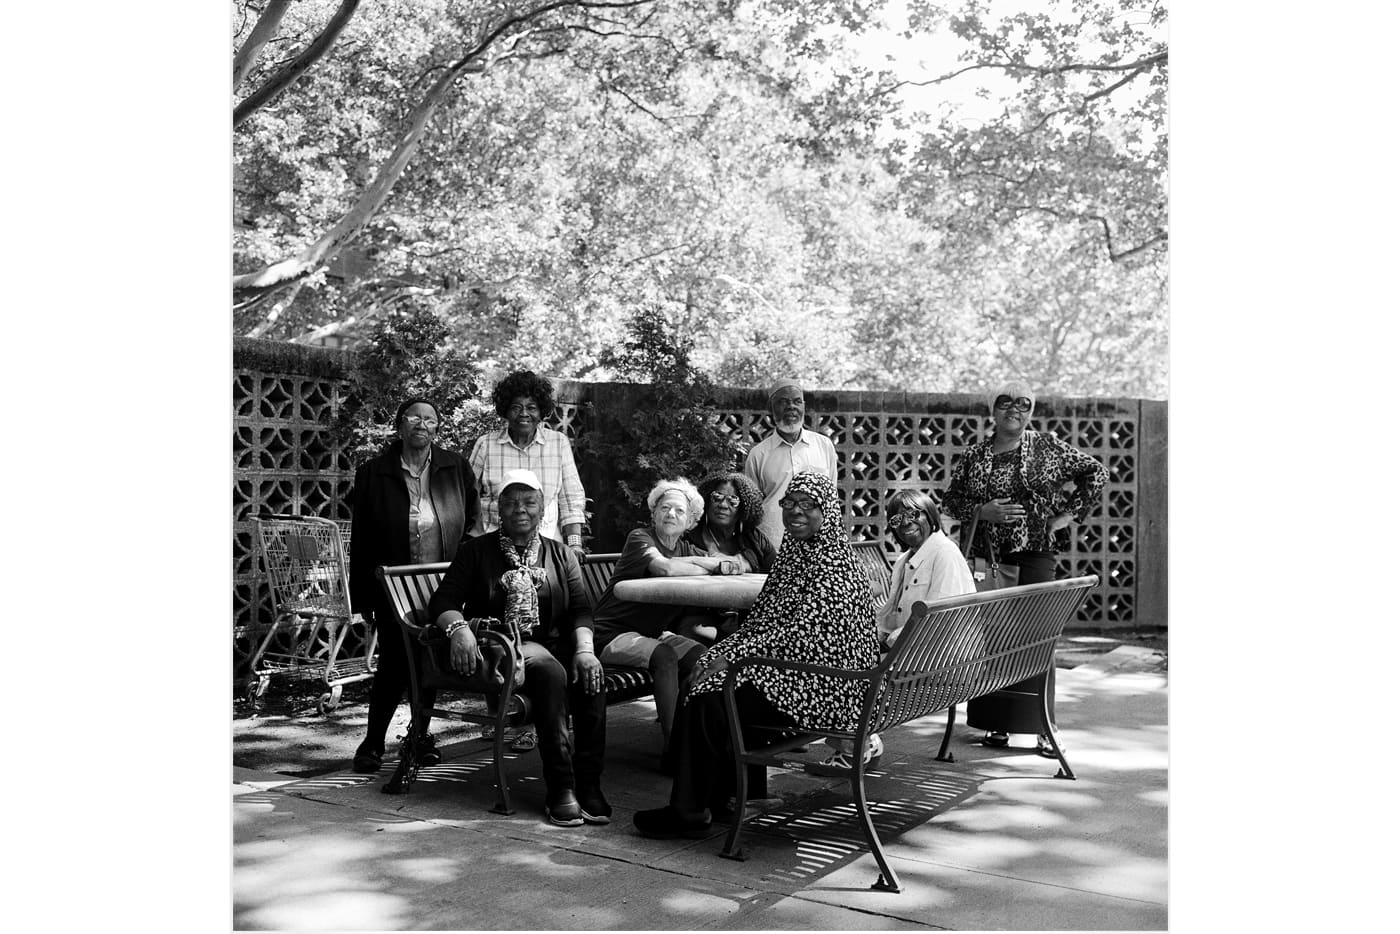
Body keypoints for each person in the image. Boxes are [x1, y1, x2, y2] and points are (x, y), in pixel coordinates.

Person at [632, 470, 881, 839]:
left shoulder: (833, 564)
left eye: (808, 505)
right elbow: (762, 623)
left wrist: (729, 659)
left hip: (828, 689)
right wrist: (718, 654)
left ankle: (688, 811)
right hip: (799, 672)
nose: (796, 512)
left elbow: (801, 633)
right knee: (702, 682)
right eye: (789, 504)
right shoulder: (797, 554)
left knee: (709, 699)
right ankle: (720, 798)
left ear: (827, 511)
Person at [424, 469, 610, 827]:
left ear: (543, 508)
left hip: (554, 646)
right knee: (553, 672)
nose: (519, 509)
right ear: (498, 510)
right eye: (510, 502)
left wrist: (585, 651)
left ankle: (589, 784)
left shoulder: (560, 554)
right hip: (504, 647)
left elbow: (580, 610)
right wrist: (459, 628)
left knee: (591, 677)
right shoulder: (476, 552)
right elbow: (443, 603)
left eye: (528, 501)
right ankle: (561, 787)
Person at [942, 380, 1107, 756]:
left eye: (1023, 404)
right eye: (1004, 403)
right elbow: (950, 501)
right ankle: (998, 723)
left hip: (1034, 553)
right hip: (988, 556)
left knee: (1037, 639)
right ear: (992, 410)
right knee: (993, 638)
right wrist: (980, 511)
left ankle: (1044, 728)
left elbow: (1095, 473)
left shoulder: (1047, 445)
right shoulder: (976, 453)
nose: (1013, 409)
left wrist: (1066, 517)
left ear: (1031, 410)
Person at [348, 398, 478, 774]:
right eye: (414, 418)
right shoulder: (374, 472)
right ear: (400, 426)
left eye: (431, 419)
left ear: (438, 428)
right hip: (394, 587)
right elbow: (363, 538)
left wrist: (466, 582)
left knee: (430, 662)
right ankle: (373, 742)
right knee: (392, 663)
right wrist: (365, 597)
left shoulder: (456, 467)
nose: (423, 424)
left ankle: (418, 739)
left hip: (443, 586)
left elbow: (472, 527)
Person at [468, 369, 589, 751]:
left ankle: (533, 717)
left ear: (542, 411)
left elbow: (572, 496)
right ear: (506, 409)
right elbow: (469, 494)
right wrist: (471, 544)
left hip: (542, 551)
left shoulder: (557, 443)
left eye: (532, 407)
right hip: (493, 549)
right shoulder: (487, 444)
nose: (524, 413)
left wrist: (572, 544)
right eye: (517, 406)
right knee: (496, 622)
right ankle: (501, 714)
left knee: (540, 627)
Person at [813, 489, 976, 771]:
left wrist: (888, 641)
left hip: (942, 660)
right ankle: (863, 741)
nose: (906, 523)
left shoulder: (944, 554)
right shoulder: (906, 559)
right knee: (839, 657)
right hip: (919, 653)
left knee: (855, 673)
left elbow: (941, 620)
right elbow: (889, 615)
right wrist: (864, 633)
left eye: (914, 514)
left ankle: (854, 749)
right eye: (898, 518)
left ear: (930, 515)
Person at [590, 478, 743, 760]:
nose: (671, 514)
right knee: (666, 657)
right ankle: (674, 748)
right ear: (654, 512)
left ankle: (695, 734)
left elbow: (733, 565)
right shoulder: (640, 537)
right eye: (665, 508)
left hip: (651, 633)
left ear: (691, 521)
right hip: (610, 633)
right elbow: (665, 569)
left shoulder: (686, 549)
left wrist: (712, 563)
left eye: (679, 511)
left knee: (706, 657)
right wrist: (710, 565)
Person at [742, 379, 838, 549]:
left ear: (804, 406)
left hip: (818, 544)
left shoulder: (824, 446)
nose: (791, 407)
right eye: (783, 402)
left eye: (796, 402)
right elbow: (752, 510)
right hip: (774, 544)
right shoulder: (758, 454)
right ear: (771, 408)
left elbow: (832, 499)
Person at [683, 472, 778, 575]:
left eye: (733, 500)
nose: (723, 505)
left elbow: (779, 575)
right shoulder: (687, 535)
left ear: (744, 508)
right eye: (717, 497)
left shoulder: (756, 540)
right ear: (706, 501)